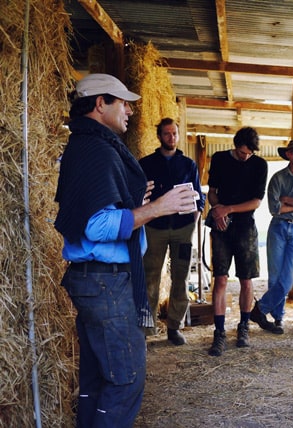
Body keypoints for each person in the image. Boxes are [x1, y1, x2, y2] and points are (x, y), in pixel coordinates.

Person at [55, 73, 198, 427]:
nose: (131, 110)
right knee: (125, 380)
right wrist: (155, 209)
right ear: (100, 104)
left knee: (96, 378)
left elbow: (96, 211)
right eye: (122, 102)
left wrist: (137, 202)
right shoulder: (96, 149)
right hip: (106, 286)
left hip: (93, 282)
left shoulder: (85, 144)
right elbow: (95, 226)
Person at [138, 118, 204, 345]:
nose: (171, 138)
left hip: (182, 228)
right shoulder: (146, 164)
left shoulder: (188, 165)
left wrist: (193, 221)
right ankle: (147, 329)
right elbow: (138, 195)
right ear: (159, 136)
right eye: (167, 134)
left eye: (174, 133)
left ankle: (174, 327)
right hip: (154, 227)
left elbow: (198, 197)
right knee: (150, 278)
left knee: (181, 277)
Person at [206, 126, 268, 356]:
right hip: (221, 226)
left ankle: (243, 327)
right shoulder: (220, 159)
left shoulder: (260, 164)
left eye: (250, 153)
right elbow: (212, 191)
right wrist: (217, 209)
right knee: (220, 279)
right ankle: (219, 332)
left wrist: (228, 209)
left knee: (246, 280)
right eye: (242, 152)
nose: (246, 157)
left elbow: (256, 202)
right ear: (235, 145)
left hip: (245, 227)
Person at [250, 139, 293, 335]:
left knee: (290, 277)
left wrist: (288, 200)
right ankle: (278, 318)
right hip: (278, 227)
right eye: (292, 151)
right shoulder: (277, 177)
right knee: (275, 275)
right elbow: (274, 208)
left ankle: (260, 309)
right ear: (287, 154)